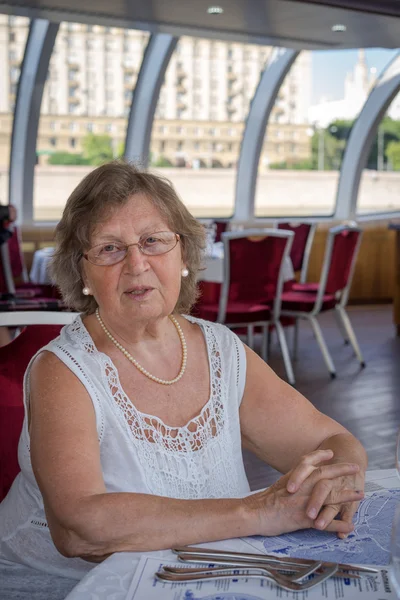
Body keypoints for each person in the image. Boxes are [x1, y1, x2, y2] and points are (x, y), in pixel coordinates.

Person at [0, 162, 367, 599]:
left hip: (203, 579)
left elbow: (330, 438)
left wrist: (336, 481)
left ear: (183, 254)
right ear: (82, 274)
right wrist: (257, 511)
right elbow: (82, 529)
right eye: (110, 248)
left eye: (153, 241)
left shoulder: (220, 350)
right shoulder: (63, 370)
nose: (137, 264)